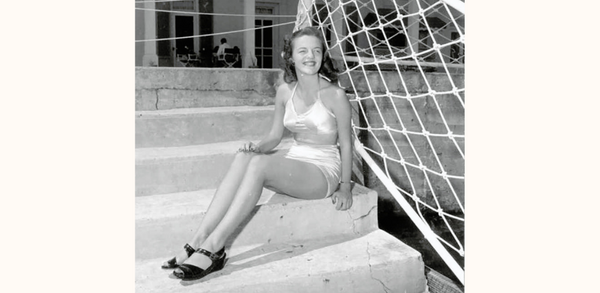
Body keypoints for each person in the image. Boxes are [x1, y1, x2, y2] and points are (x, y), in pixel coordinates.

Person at [162, 26, 354, 281]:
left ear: (323, 56)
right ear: (290, 57)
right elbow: (275, 136)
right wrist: (256, 148)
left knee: (260, 166)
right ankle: (197, 238)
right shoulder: (286, 91)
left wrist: (345, 186)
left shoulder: (335, 95)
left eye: (316, 51)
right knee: (245, 156)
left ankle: (215, 246)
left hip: (322, 170)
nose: (311, 56)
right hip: (295, 162)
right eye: (303, 51)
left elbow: (347, 143)